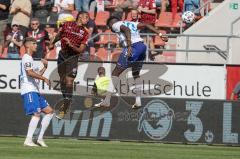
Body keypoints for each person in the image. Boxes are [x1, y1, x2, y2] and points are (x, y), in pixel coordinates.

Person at [94, 15, 168, 108]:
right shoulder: (132, 23)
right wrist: (160, 34)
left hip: (133, 47)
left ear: (110, 24)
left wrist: (129, 46)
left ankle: (107, 101)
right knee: (136, 74)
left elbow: (127, 30)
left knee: (116, 72)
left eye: (109, 27)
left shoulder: (115, 24)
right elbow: (146, 25)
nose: (111, 29)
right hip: (142, 47)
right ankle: (138, 101)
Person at [49, 11, 89, 119]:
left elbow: (81, 50)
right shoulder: (66, 24)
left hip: (73, 57)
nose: (88, 20)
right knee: (62, 80)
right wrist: (52, 43)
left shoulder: (85, 32)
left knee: (69, 81)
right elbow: (59, 35)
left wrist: (71, 45)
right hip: (62, 55)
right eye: (86, 17)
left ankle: (66, 106)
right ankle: (66, 99)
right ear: (80, 17)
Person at [20, 37, 53, 147]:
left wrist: (45, 67)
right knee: (36, 113)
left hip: (35, 90)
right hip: (29, 89)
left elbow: (36, 75)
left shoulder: (31, 59)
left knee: (49, 112)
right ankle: (28, 140)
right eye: (34, 43)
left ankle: (39, 138)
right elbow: (29, 73)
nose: (36, 45)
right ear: (28, 45)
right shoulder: (26, 58)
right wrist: (44, 79)